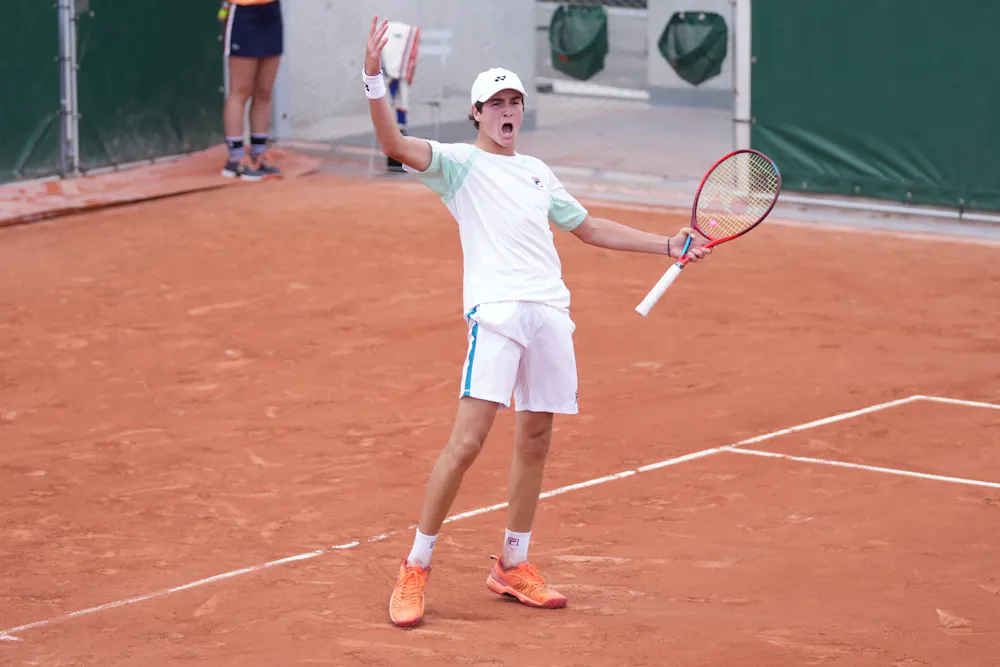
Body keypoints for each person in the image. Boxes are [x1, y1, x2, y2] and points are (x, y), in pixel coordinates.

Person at [362, 16, 711, 629]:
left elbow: (590, 229)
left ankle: (512, 564)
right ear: (476, 113)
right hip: (496, 315)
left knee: (536, 439)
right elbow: (393, 144)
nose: (507, 109)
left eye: (515, 101)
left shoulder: (538, 172)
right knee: (467, 443)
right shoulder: (456, 166)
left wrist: (666, 244)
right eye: (495, 101)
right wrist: (373, 79)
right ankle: (415, 566)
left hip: (550, 313)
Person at [219, 0, 283, 180]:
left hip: (272, 12)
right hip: (243, 13)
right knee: (241, 91)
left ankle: (259, 154)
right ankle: (236, 159)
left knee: (264, 91)